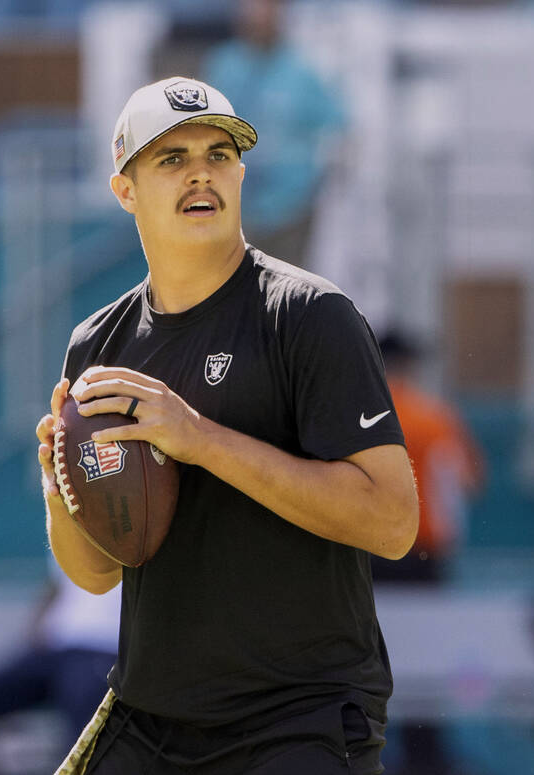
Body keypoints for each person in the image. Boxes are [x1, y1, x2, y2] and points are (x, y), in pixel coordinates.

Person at [34, 76, 418, 775]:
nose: (201, 173)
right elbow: (95, 574)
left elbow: (393, 521)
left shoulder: (309, 316)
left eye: (218, 153)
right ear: (126, 189)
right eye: (171, 159)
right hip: (152, 718)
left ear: (241, 173)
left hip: (297, 717)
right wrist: (61, 488)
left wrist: (201, 440)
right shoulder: (98, 343)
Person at [371, 331, 486, 775]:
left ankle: (364, 753)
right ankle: (426, 757)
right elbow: (470, 481)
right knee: (427, 663)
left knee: (367, 657)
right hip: (423, 558)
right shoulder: (435, 417)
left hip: (368, 555)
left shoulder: (355, 417)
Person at [200, 0, 347, 266]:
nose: (259, 13)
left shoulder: (303, 72)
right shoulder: (224, 66)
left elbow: (338, 126)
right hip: (234, 208)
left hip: (291, 207)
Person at [0, 560, 119, 775]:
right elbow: (57, 586)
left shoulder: (141, 532)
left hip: (102, 646)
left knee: (85, 738)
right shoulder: (73, 530)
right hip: (53, 647)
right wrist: (35, 630)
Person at [372, 331, 486, 586]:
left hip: (366, 546)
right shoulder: (436, 419)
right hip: (422, 548)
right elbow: (469, 483)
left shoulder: (350, 419)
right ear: (410, 367)